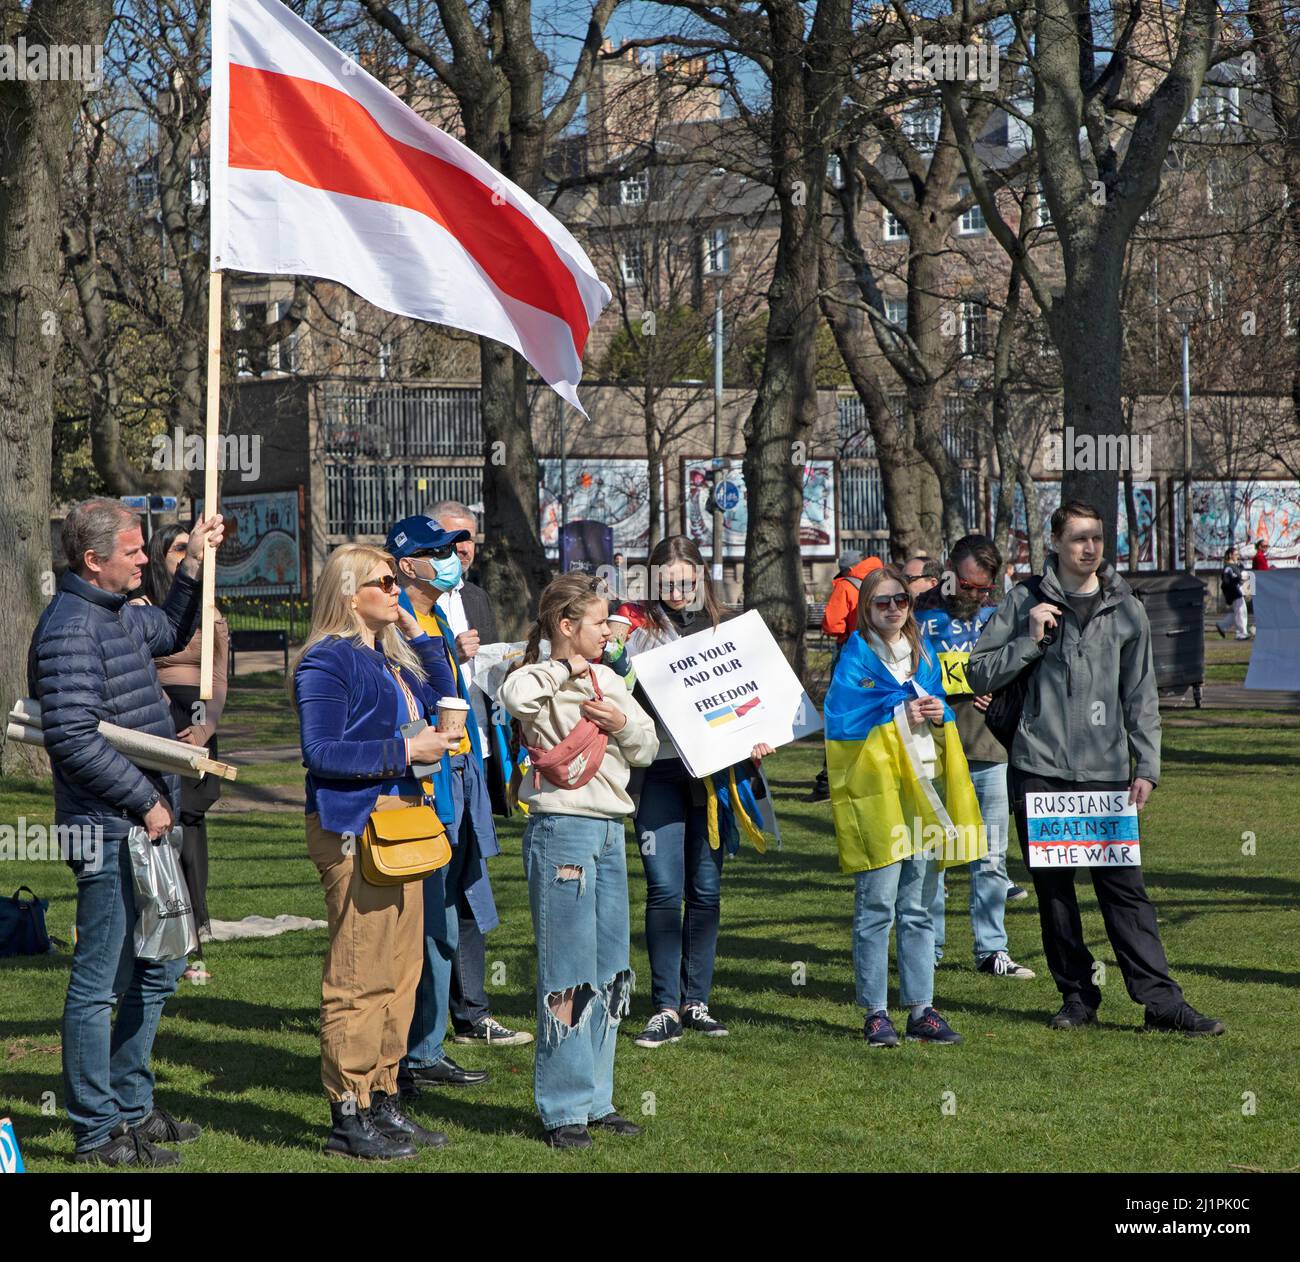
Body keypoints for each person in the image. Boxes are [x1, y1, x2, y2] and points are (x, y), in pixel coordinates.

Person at [968, 500, 1225, 1036]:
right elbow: (979, 674)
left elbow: (1141, 695)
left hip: (1108, 775)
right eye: (1079, 538)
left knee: (1125, 891)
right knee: (1055, 893)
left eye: (1098, 538)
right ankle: (1078, 997)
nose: (1090, 548)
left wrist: (1147, 765)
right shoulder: (1023, 601)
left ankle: (1161, 1003)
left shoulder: (1126, 607)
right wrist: (1028, 639)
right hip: (1039, 768)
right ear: (1055, 544)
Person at [29, 499, 224, 1166]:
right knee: (99, 984)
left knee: (161, 964)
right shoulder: (71, 630)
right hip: (106, 829)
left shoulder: (118, 614)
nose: (146, 560)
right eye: (135, 552)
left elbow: (169, 634)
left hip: (145, 823)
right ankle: (96, 1130)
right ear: (93, 559)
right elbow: (73, 740)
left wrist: (194, 565)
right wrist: (145, 800)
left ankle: (132, 1104)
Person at [294, 544, 464, 1159]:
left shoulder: (387, 655)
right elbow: (322, 753)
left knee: (401, 972)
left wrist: (415, 631)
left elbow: (448, 696)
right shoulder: (327, 661)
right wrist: (403, 754)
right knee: (359, 974)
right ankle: (347, 1112)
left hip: (402, 826)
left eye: (396, 580)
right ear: (348, 594)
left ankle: (384, 1098)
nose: (398, 589)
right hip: (354, 827)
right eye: (385, 582)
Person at [499, 574, 659, 1148]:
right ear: (567, 626)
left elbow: (646, 745)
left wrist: (620, 722)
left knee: (612, 970)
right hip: (562, 830)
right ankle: (563, 1110)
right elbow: (516, 699)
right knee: (568, 974)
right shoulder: (536, 675)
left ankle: (597, 1098)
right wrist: (566, 669)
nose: (609, 630)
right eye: (598, 622)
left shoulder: (611, 679)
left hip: (610, 832)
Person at [614, 536, 777, 1048]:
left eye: (688, 580)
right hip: (658, 770)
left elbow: (755, 696)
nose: (679, 590)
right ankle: (664, 1006)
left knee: (704, 890)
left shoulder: (725, 628)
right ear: (653, 579)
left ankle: (696, 1000)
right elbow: (611, 677)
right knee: (664, 889)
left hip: (715, 775)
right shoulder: (634, 627)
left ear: (701, 577)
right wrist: (621, 638)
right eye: (668, 580)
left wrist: (761, 735)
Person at [823, 565, 986, 1047]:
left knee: (918, 904)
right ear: (866, 610)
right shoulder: (854, 660)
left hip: (926, 786)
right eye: (882, 602)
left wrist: (940, 713)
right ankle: (875, 1012)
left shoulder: (923, 654)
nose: (894, 609)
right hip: (881, 793)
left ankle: (922, 1009)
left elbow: (937, 706)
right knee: (877, 904)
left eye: (901, 600)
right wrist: (898, 713)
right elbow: (842, 721)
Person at [383, 516, 510, 1097]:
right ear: (407, 564)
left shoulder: (437, 617)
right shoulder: (392, 628)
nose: (453, 555)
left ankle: (428, 1045)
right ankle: (406, 1053)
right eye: (438, 551)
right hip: (423, 787)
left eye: (454, 547)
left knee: (448, 920)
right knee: (423, 923)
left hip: (461, 779)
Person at [427, 500, 532, 1048]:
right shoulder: (407, 600)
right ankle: (425, 1025)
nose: (462, 550)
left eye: (468, 539)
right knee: (434, 891)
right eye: (450, 540)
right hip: (434, 768)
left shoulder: (477, 598)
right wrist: (447, 651)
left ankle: (471, 1013)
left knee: (470, 885)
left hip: (479, 760)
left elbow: (485, 678)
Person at [916, 536, 1035, 979]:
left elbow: (1025, 667)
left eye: (985, 589)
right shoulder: (914, 612)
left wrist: (1002, 692)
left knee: (990, 857)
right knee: (936, 857)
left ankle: (992, 950)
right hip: (933, 751)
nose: (977, 596)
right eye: (968, 586)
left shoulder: (1001, 612)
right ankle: (929, 949)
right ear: (948, 570)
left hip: (990, 748)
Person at [132, 524, 230, 982]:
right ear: (159, 557)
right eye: (178, 549)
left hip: (197, 726)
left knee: (191, 822)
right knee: (162, 821)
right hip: (156, 722)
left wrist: (205, 725)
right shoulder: (143, 610)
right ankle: (161, 923)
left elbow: (220, 676)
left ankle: (194, 928)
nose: (187, 555)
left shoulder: (210, 610)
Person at [809, 552, 884, 803]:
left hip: (850, 654)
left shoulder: (846, 585)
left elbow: (832, 624)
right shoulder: (882, 578)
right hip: (879, 655)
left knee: (840, 713)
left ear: (848, 569)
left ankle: (829, 781)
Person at [1216, 546, 1249, 640]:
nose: (1237, 556)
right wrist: (1237, 580)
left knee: (1238, 612)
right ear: (1230, 555)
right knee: (1241, 612)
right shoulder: (1228, 568)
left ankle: (1222, 625)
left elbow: (1240, 576)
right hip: (1234, 592)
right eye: (1236, 554)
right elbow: (1226, 581)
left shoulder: (1236, 566)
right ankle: (1241, 634)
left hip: (1238, 591)